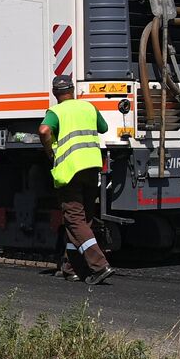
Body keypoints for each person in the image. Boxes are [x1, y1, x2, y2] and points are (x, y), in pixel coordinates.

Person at [39, 75, 115, 285]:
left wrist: (49, 152)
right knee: (83, 220)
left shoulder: (56, 112)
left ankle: (100, 266)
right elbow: (104, 127)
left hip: (70, 171)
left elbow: (44, 130)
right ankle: (71, 267)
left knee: (74, 219)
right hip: (91, 168)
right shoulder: (88, 107)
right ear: (73, 90)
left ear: (55, 94)